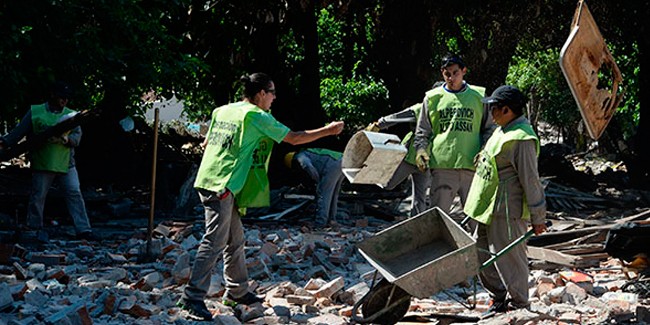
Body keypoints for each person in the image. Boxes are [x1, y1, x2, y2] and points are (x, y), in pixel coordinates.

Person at [177, 73, 344, 321]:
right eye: (272, 92)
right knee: (214, 241)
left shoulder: (223, 110)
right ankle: (191, 298)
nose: (275, 98)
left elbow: (208, 143)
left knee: (235, 239)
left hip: (211, 179)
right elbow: (294, 138)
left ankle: (237, 291)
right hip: (222, 185)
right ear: (261, 93)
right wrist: (328, 131)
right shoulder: (256, 116)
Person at [463, 85, 547, 313]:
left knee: (509, 258)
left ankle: (520, 303)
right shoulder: (501, 131)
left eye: (494, 109)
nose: (491, 114)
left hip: (506, 209)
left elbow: (531, 180)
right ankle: (498, 299)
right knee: (481, 254)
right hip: (485, 207)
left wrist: (538, 217)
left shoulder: (522, 139)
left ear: (507, 110)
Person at [0, 81, 94, 241]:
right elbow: (18, 132)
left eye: (66, 98)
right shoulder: (35, 112)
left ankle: (83, 230)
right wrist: (5, 143)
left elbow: (77, 138)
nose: (64, 101)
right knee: (38, 196)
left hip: (66, 162)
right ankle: (34, 228)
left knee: (74, 193)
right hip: (43, 162)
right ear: (52, 95)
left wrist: (66, 140)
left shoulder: (73, 116)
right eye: (61, 97)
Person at [413, 53, 492, 220]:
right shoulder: (432, 98)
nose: (451, 77)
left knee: (476, 218)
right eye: (447, 73)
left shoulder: (479, 96)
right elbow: (422, 131)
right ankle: (439, 246)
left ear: (464, 71)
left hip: (472, 165)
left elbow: (489, 129)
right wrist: (420, 150)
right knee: (438, 217)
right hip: (443, 166)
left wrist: (485, 150)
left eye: (455, 72)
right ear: (442, 72)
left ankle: (478, 246)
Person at [365, 102, 432, 217]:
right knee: (389, 184)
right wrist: (379, 124)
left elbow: (397, 116)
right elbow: (398, 117)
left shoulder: (438, 111)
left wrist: (379, 124)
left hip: (424, 159)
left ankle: (415, 223)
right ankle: (374, 172)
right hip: (414, 156)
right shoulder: (421, 109)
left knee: (419, 196)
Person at [284, 148, 345, 226]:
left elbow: (308, 166)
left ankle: (320, 223)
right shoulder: (309, 152)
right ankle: (331, 220)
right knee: (333, 195)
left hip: (333, 165)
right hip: (342, 161)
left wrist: (318, 181)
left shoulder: (300, 156)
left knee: (323, 195)